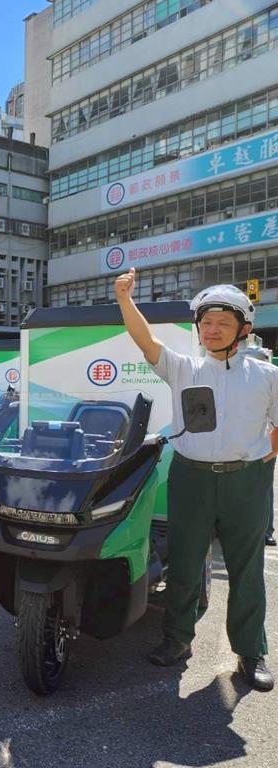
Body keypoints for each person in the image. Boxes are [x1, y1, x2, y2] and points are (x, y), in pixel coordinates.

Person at [115, 268, 275, 692]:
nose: (212, 330)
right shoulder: (183, 368)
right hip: (191, 478)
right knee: (185, 563)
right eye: (206, 322)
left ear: (243, 329)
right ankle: (176, 639)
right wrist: (125, 300)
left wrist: (260, 461)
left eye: (223, 323)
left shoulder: (266, 376)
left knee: (247, 569)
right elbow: (145, 340)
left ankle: (251, 651)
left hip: (246, 481)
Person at [247, 346, 278, 547]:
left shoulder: (270, 384)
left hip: (264, 449)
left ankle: (266, 531)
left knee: (264, 490)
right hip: (243, 450)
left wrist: (269, 454)